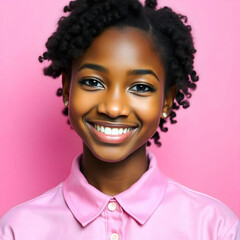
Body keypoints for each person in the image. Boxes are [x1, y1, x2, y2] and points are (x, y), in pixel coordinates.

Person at [0, 0, 239, 239]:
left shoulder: (215, 227)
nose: (113, 108)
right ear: (66, 89)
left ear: (167, 101)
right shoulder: (18, 230)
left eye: (141, 87)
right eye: (93, 82)